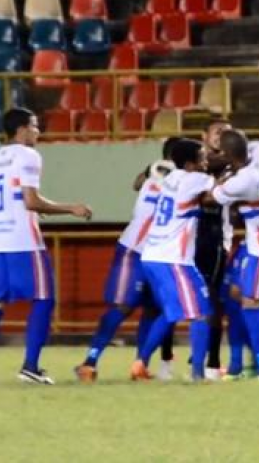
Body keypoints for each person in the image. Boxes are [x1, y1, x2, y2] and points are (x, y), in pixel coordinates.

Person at [0, 108, 93, 386]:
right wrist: (70, 208)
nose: (38, 132)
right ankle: (30, 366)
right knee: (44, 299)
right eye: (35, 126)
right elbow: (31, 200)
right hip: (23, 241)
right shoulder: (28, 156)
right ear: (22, 129)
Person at [74, 138, 182, 383]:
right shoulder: (169, 177)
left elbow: (136, 183)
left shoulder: (157, 173)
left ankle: (140, 365)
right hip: (135, 251)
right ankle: (90, 362)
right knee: (122, 307)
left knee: (154, 310)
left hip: (158, 255)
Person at [132, 139, 215, 382]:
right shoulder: (193, 179)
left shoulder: (169, 178)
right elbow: (220, 188)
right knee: (199, 313)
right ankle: (198, 374)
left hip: (155, 255)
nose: (206, 162)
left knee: (171, 312)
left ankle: (141, 362)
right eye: (202, 158)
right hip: (173, 259)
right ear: (190, 164)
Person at [212, 130, 259, 381]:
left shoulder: (243, 180)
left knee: (251, 304)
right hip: (255, 241)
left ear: (227, 155)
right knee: (235, 295)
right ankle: (238, 364)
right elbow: (251, 146)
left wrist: (219, 171)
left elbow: (213, 196)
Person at [196, 118, 234, 380]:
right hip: (186, 241)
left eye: (227, 134)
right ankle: (163, 362)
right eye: (218, 132)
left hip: (218, 240)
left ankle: (212, 361)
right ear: (205, 136)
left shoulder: (234, 167)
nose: (222, 137)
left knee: (214, 302)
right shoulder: (195, 164)